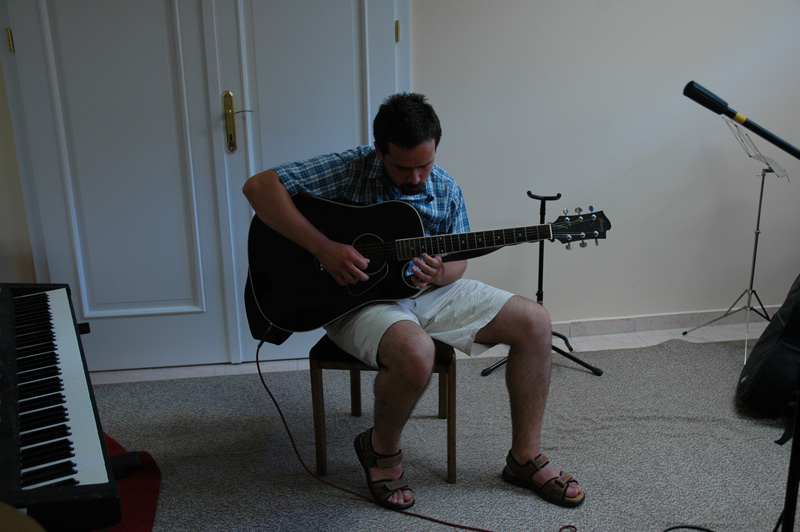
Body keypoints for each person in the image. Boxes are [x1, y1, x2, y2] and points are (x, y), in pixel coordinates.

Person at [242, 93, 585, 510]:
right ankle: (381, 449)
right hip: (357, 300)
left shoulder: (444, 186)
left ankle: (523, 458)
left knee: (535, 321)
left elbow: (458, 260)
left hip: (429, 292)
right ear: (379, 150)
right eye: (404, 168)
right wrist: (324, 248)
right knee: (415, 352)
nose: (417, 176)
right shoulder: (349, 168)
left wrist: (440, 272)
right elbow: (258, 187)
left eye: (426, 164)